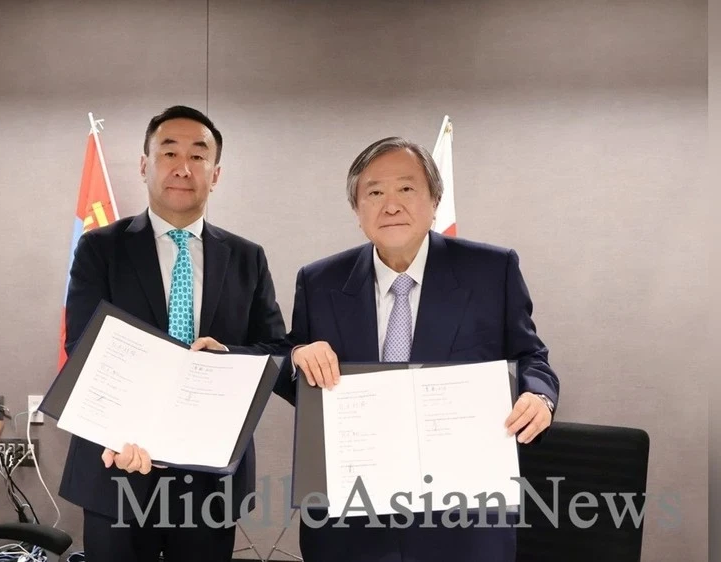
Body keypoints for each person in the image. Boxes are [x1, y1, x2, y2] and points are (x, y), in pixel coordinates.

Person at [278, 136, 560, 562]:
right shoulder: (319, 281)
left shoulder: (491, 270)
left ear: (435, 201)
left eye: (406, 189)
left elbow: (530, 356)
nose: (391, 206)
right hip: (350, 522)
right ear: (357, 210)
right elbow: (291, 367)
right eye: (375, 193)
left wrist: (539, 396)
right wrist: (298, 357)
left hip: (462, 520)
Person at [57, 105, 287, 562]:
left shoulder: (247, 257)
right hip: (117, 463)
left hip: (208, 475)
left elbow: (275, 350)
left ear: (215, 174)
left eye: (198, 156)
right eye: (169, 152)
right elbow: (83, 347)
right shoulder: (100, 248)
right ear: (145, 165)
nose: (183, 167)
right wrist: (122, 426)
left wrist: (228, 358)